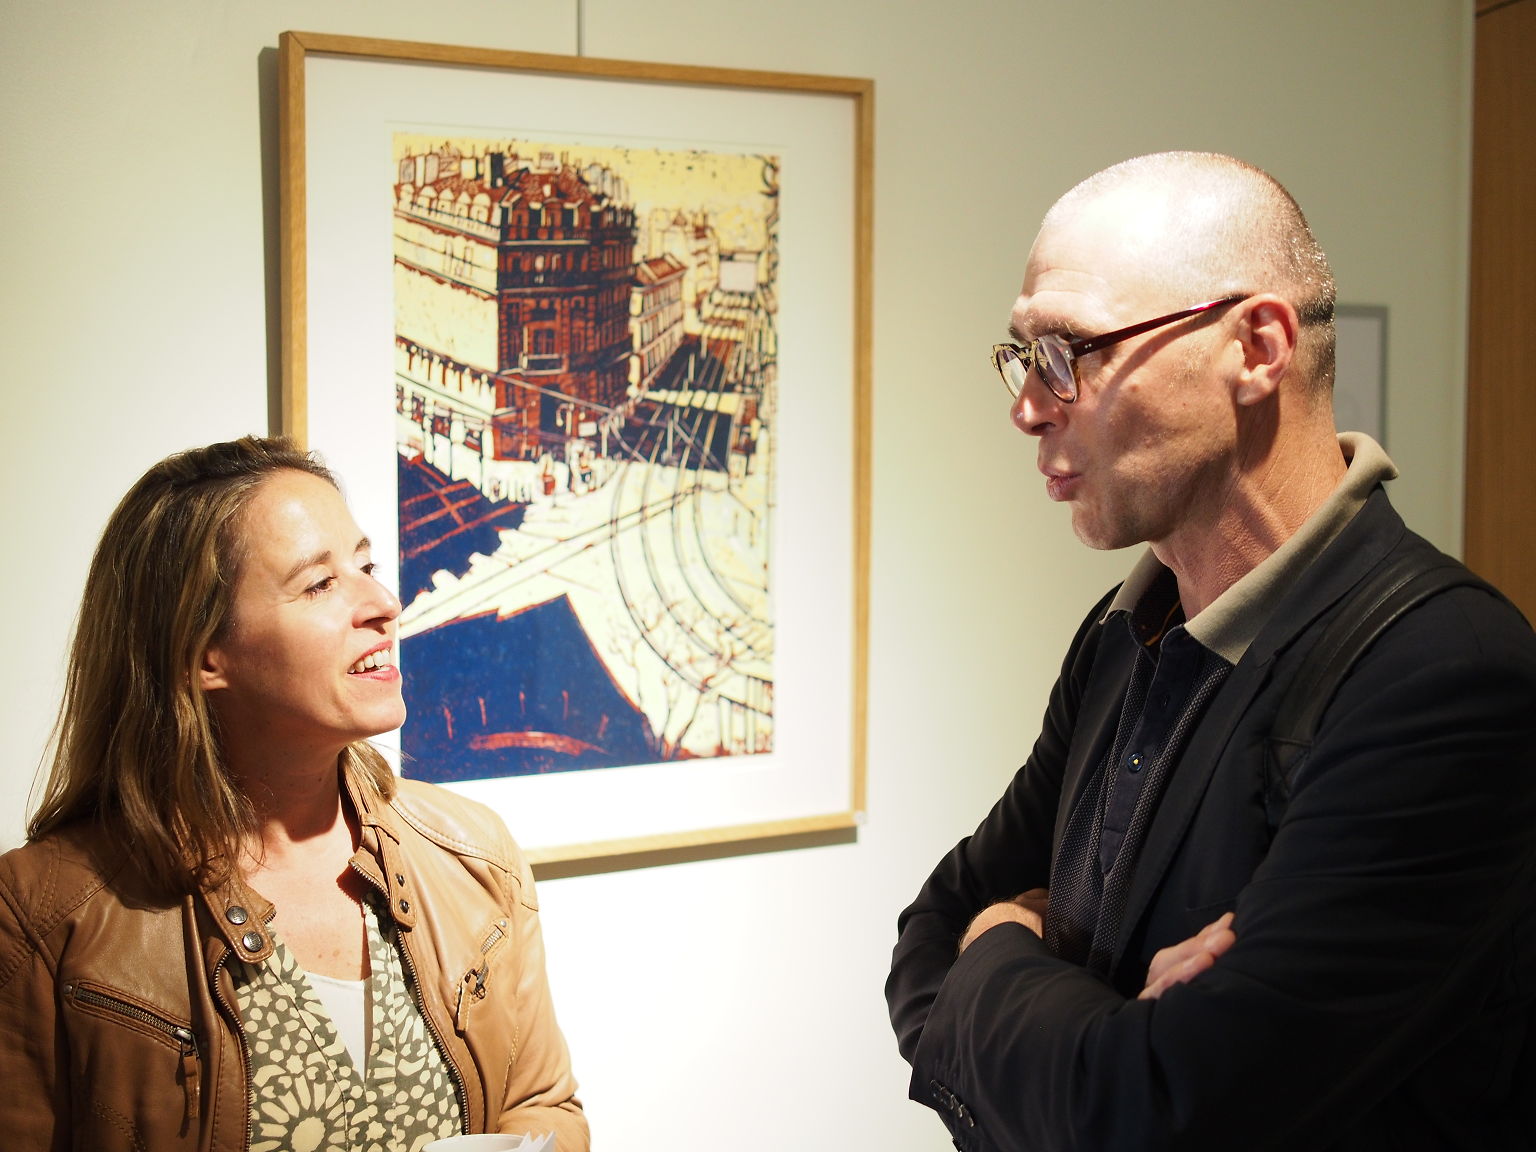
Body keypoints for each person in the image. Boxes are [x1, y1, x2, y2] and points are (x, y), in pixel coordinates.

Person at [885, 152, 1536, 1150]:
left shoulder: (1444, 674)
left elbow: (1167, 1114)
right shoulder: (1122, 632)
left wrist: (1003, 944)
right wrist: (1087, 1007)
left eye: (1069, 352)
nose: (1029, 406)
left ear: (1257, 347)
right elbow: (930, 936)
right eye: (1023, 357)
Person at [0, 436, 588, 1152]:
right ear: (203, 653)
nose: (384, 604)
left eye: (365, 567)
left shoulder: (473, 854)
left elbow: (542, 1104)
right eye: (319, 585)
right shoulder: (44, 915)